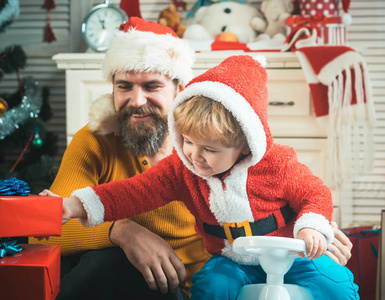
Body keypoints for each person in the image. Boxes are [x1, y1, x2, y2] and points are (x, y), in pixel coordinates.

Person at [54, 55, 359, 300]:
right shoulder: (180, 169)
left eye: (209, 149)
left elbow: (314, 193)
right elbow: (130, 193)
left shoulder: (276, 164)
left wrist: (314, 229)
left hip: (292, 254)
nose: (193, 155)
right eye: (186, 141)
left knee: (336, 285)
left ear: (244, 144)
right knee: (212, 287)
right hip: (231, 260)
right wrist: (76, 206)